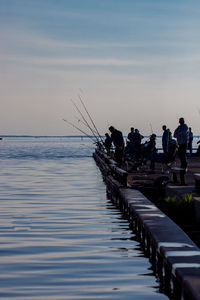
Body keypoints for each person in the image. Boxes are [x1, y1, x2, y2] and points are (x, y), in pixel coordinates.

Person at [174, 117, 188, 184]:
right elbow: (174, 134)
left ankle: (183, 176)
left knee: (184, 160)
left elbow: (183, 133)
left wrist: (179, 134)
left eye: (182, 121)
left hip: (184, 144)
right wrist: (180, 134)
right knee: (181, 159)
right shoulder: (178, 127)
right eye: (180, 121)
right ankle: (182, 178)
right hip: (179, 145)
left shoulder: (185, 126)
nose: (181, 122)